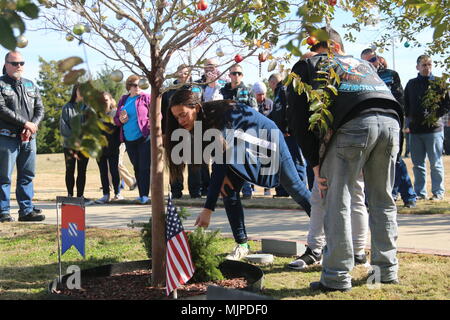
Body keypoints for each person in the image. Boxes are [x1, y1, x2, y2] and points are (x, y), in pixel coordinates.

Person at [288, 27, 404, 292]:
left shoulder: (308, 64)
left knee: (337, 200)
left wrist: (314, 164)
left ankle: (337, 276)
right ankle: (386, 270)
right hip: (391, 122)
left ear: (320, 47)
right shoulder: (364, 65)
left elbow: (297, 116)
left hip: (353, 126)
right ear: (339, 46)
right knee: (382, 200)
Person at [165, 89, 312, 261]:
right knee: (227, 189)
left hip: (268, 141)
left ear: (196, 108)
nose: (181, 121)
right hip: (241, 148)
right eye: (177, 117)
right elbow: (219, 158)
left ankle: (327, 233)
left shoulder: (219, 116)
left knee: (294, 187)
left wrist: (208, 209)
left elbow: (220, 163)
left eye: (183, 115)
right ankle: (242, 244)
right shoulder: (199, 123)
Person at [287, 52, 369, 271]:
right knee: (334, 196)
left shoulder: (334, 73)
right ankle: (336, 251)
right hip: (346, 138)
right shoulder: (351, 71)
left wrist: (316, 162)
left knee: (339, 195)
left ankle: (345, 251)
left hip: (343, 139)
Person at [361, 48, 417, 208]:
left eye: (372, 60)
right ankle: (372, 198)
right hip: (371, 124)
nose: (370, 64)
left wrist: (399, 120)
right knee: (370, 162)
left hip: (392, 123)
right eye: (366, 61)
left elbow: (400, 99)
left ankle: (409, 196)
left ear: (378, 59)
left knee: (396, 159)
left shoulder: (391, 75)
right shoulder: (361, 77)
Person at [0, 51, 45, 222]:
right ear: (6, 65)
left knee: (27, 175)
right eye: (15, 63)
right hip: (7, 138)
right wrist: (25, 124)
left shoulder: (30, 85)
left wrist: (32, 126)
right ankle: (3, 211)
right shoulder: (1, 84)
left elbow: (40, 108)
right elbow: (2, 109)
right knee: (3, 176)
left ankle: (26, 210)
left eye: (21, 63)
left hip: (28, 138)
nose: (19, 66)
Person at [404, 55, 449, 201]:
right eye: (423, 65)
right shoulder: (411, 84)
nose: (426, 67)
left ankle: (438, 192)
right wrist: (408, 124)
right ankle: (420, 193)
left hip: (434, 130)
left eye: (429, 64)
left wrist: (436, 115)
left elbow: (447, 104)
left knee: (436, 163)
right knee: (418, 165)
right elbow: (406, 105)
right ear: (417, 67)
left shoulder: (439, 83)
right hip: (416, 131)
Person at [162, 64, 203, 199]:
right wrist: (164, 132)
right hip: (174, 131)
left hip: (193, 131)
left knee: (194, 163)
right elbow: (164, 113)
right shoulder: (169, 91)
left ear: (190, 75)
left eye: (185, 73)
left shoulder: (196, 90)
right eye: (180, 73)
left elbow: (200, 110)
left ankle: (195, 192)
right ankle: (176, 191)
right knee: (176, 162)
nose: (182, 75)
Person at [220, 64, 258, 199]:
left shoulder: (248, 91)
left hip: (243, 131)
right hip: (226, 132)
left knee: (244, 161)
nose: (236, 76)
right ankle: (228, 190)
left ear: (242, 76)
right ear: (229, 75)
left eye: (239, 73)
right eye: (234, 73)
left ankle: (247, 191)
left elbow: (255, 112)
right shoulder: (222, 92)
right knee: (226, 161)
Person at [114, 75, 151, 204]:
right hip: (129, 139)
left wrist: (152, 123)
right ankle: (141, 195)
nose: (138, 87)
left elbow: (158, 114)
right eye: (135, 85)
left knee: (144, 167)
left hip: (144, 137)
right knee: (137, 167)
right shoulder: (123, 99)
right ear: (129, 86)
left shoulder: (146, 97)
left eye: (140, 84)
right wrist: (120, 119)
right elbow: (116, 120)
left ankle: (145, 195)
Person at [60, 85, 92, 204]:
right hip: (69, 145)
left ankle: (80, 196)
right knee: (70, 170)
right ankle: (69, 195)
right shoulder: (66, 107)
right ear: (75, 92)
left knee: (82, 171)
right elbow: (64, 127)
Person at [95, 92, 123, 204]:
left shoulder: (115, 113)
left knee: (114, 171)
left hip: (113, 147)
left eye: (106, 100)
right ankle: (105, 194)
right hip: (99, 149)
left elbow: (119, 130)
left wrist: (117, 143)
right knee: (103, 172)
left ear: (111, 100)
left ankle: (117, 193)